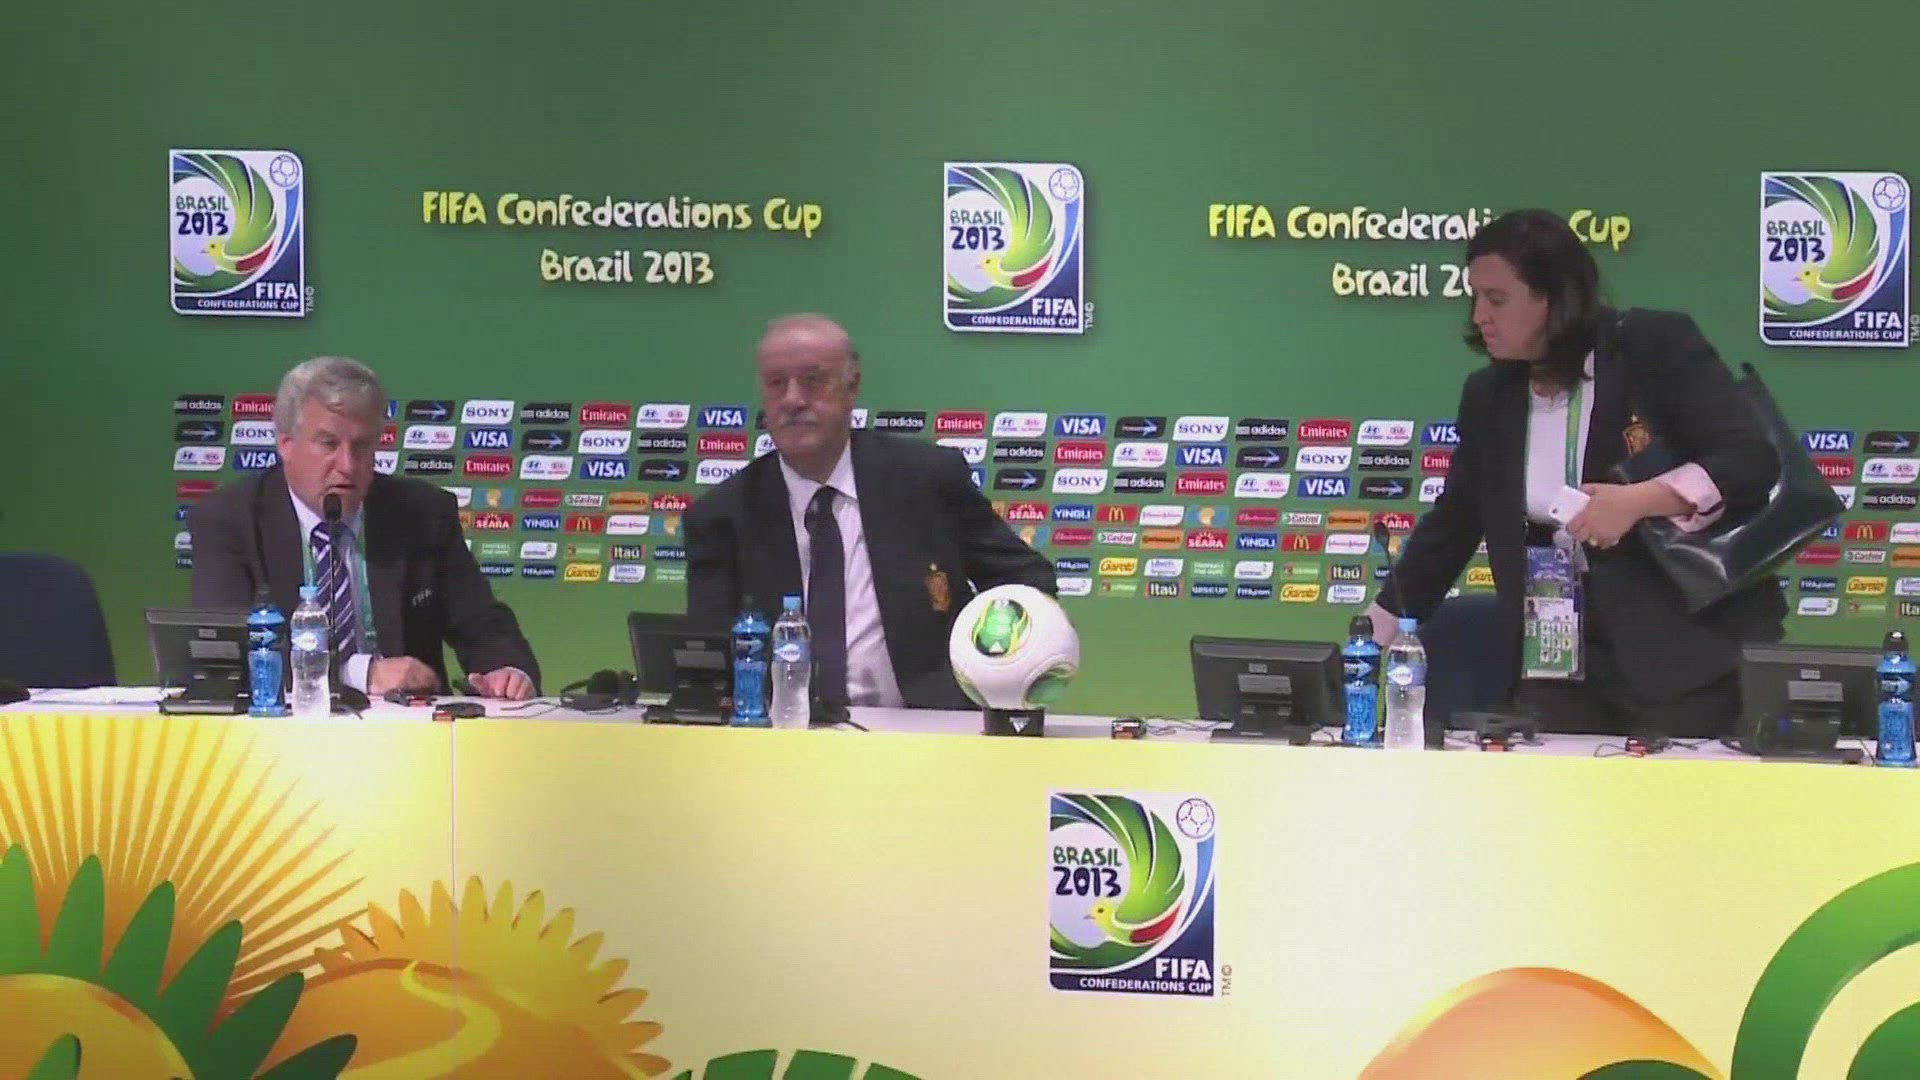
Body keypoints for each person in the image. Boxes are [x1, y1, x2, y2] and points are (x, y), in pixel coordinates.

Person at [1371, 209, 1784, 739]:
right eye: (1475, 297)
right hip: (1553, 658)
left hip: (1682, 654)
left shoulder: (1651, 348)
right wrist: (1371, 633)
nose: (1479, 316)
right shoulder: (1489, 396)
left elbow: (1749, 459)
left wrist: (1639, 501)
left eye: (1497, 299)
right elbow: (1452, 527)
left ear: (1553, 297)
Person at [686, 314, 1056, 710]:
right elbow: (711, 656)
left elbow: (1027, 579)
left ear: (852, 387)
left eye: (812, 380)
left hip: (930, 727)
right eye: (777, 383)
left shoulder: (927, 479)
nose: (793, 400)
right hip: (785, 731)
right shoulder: (724, 515)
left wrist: (992, 660)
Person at [188, 356, 540, 700]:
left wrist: (507, 670)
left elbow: (482, 623)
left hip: (409, 726)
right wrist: (360, 673)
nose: (347, 464)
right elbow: (227, 656)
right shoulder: (230, 520)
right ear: (286, 445)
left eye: (361, 446)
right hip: (285, 727)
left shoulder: (423, 514)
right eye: (328, 444)